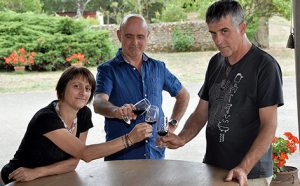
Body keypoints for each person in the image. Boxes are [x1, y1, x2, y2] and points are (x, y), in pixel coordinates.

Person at [158, 0, 283, 185]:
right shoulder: (215, 62)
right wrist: (182, 138)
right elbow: (202, 112)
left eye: (224, 31)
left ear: (242, 28)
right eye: (213, 33)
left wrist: (243, 167)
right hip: (213, 167)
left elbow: (269, 126)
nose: (218, 40)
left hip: (250, 174)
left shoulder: (265, 66)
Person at [0, 66, 152, 185]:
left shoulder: (84, 114)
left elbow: (73, 162)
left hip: (41, 178)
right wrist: (129, 139)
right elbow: (85, 153)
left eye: (87, 88)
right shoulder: (46, 118)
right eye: (76, 86)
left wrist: (37, 172)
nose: (83, 93)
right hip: (15, 179)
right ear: (62, 90)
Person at [93, 14, 190, 161]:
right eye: (129, 36)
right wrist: (116, 111)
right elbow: (98, 103)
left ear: (148, 36)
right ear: (119, 35)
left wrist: (172, 125)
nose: (135, 42)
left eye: (140, 37)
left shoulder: (158, 67)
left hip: (155, 156)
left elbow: (183, 96)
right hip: (121, 159)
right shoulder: (107, 70)